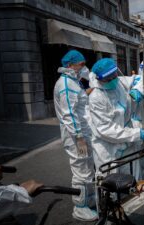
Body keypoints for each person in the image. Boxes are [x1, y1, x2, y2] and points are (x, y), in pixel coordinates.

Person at [53, 50, 97, 221]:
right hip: (76, 137)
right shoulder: (66, 83)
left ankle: (88, 199)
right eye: (81, 64)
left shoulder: (73, 81)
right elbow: (68, 114)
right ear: (70, 65)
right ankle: (80, 207)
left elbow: (77, 103)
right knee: (82, 170)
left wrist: (87, 93)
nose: (84, 67)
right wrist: (79, 138)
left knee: (87, 166)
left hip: (81, 135)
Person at [87, 58, 144, 174]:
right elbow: (106, 129)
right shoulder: (96, 97)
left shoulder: (119, 82)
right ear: (100, 79)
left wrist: (138, 90)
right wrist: (136, 133)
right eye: (108, 78)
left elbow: (142, 79)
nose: (113, 79)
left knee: (133, 179)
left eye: (114, 75)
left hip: (127, 143)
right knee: (110, 184)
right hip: (108, 149)